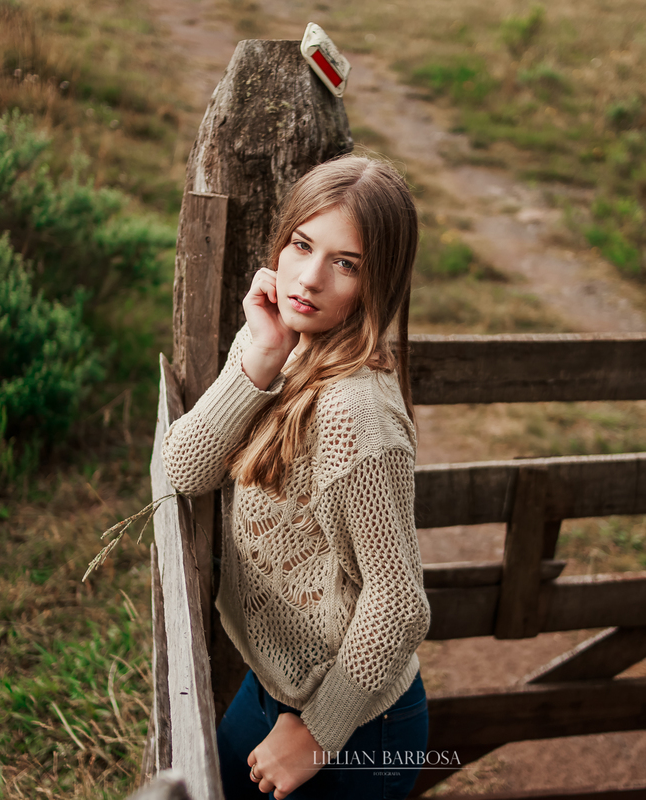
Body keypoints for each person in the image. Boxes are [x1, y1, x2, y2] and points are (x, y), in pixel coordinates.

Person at [162, 154, 431, 800]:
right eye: (302, 245)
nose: (307, 278)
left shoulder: (353, 413)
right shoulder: (278, 343)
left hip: (359, 725)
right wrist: (256, 361)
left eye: (346, 263)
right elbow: (183, 468)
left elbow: (398, 605)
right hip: (270, 688)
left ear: (377, 283)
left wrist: (317, 733)